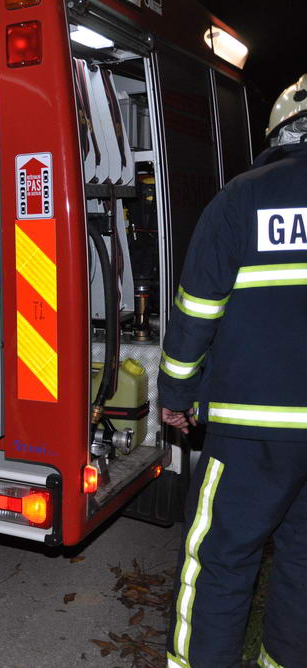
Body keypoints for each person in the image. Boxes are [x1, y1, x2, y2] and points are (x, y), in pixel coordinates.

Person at [159, 74, 307, 668]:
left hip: (252, 429)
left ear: (280, 132)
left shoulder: (244, 198)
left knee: (220, 559)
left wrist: (176, 392)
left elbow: (197, 309)